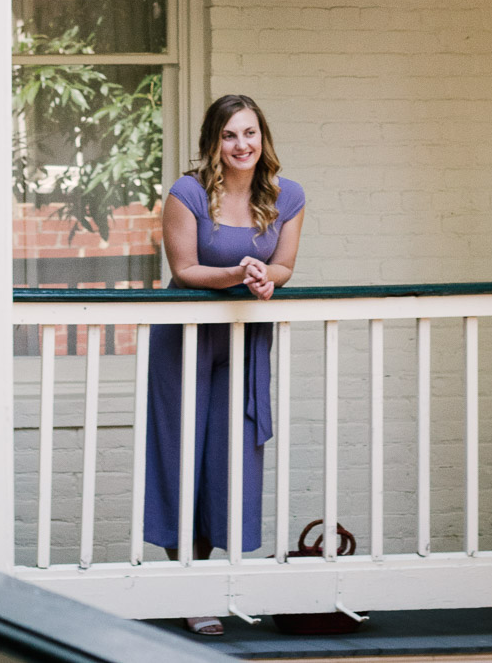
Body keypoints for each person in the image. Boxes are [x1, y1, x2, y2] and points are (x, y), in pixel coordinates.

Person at [143, 93, 305, 636]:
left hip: (243, 340)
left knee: (226, 459)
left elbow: (283, 265)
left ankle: (204, 581)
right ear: (214, 141)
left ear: (264, 139)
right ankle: (188, 590)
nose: (242, 145)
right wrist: (239, 273)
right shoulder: (186, 193)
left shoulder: (288, 196)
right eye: (230, 135)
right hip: (185, 341)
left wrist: (266, 277)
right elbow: (185, 269)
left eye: (251, 134)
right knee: (181, 457)